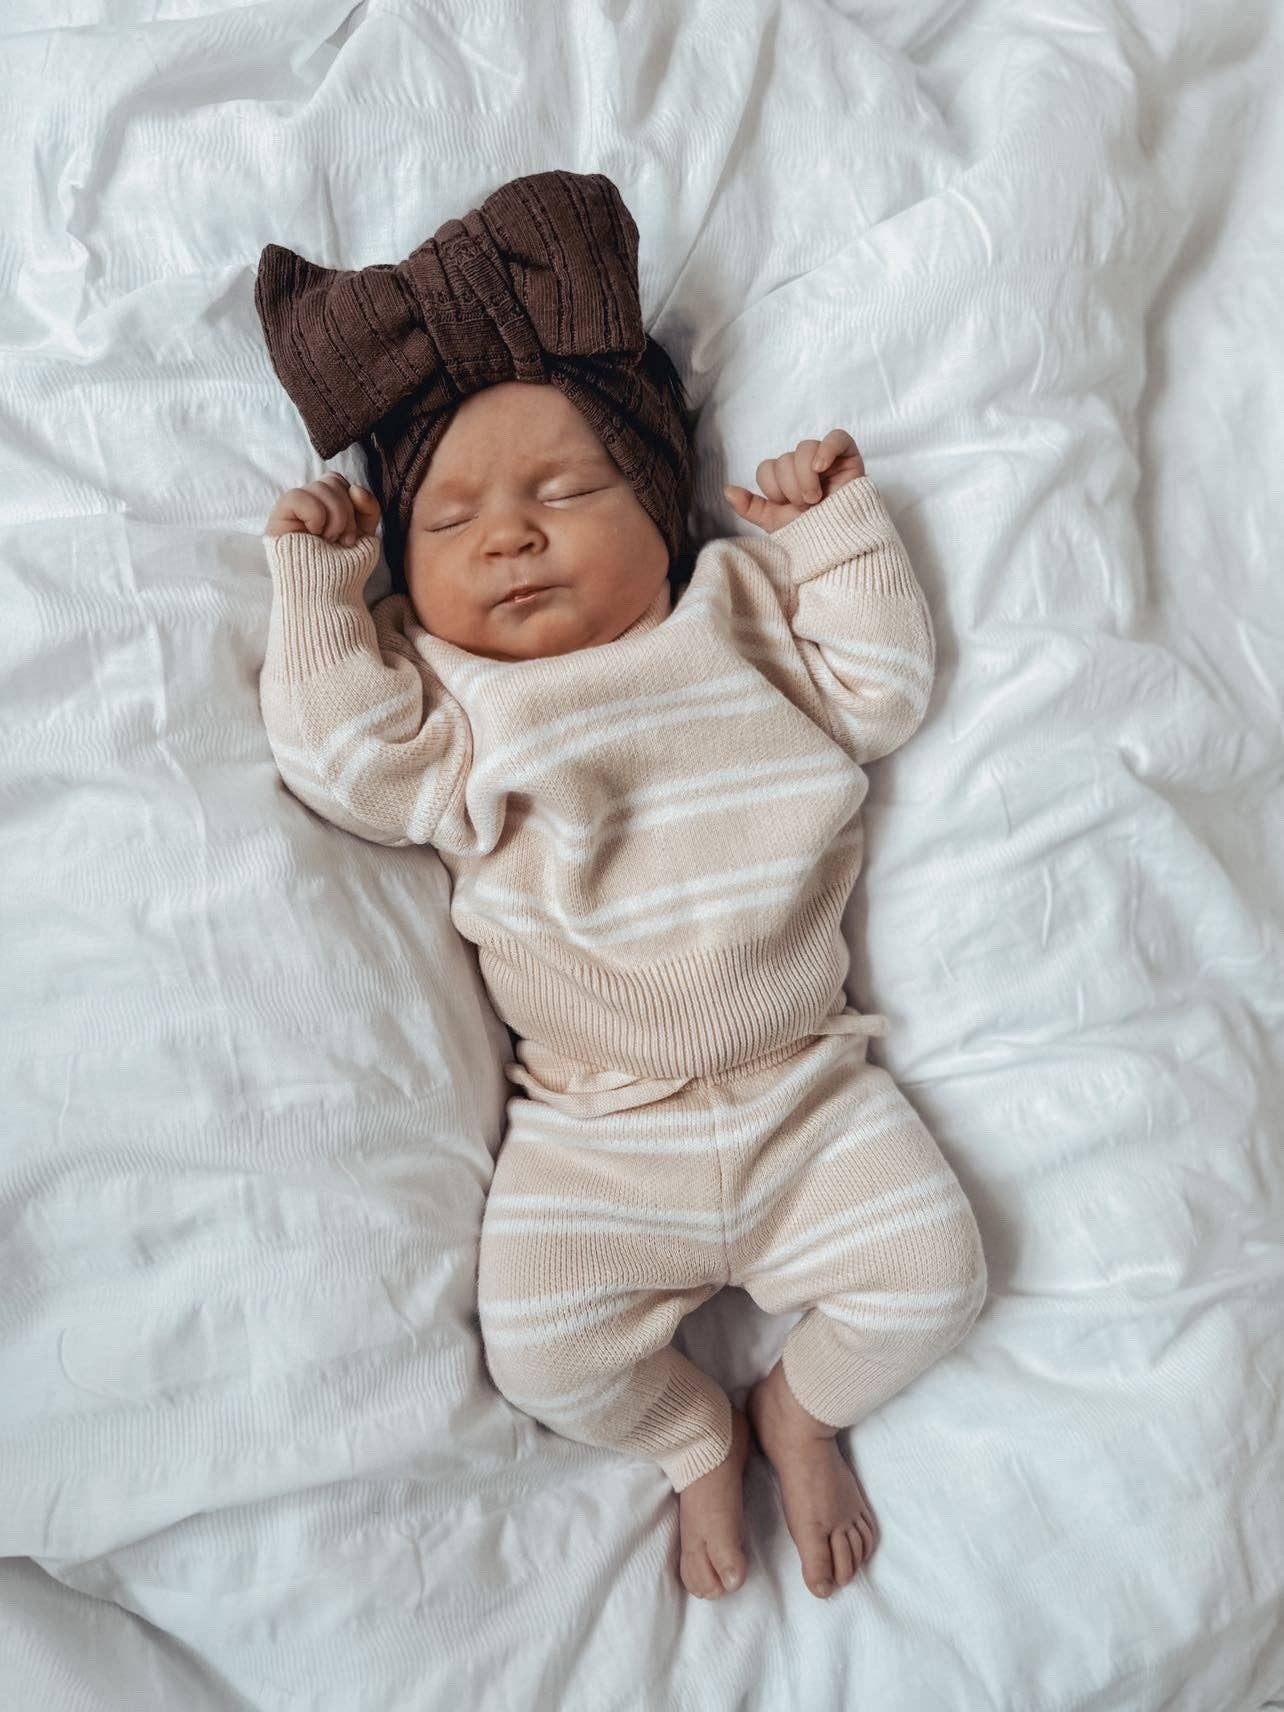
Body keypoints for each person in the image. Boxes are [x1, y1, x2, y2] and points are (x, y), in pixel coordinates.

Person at [255, 169, 988, 1603]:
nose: (510, 535)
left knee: (934, 1277)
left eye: (566, 490)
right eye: (450, 522)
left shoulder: (739, 616)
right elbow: (345, 764)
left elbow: (885, 685)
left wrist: (833, 532)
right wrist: (320, 592)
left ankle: (802, 1408)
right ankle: (692, 1436)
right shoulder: (452, 701)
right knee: (544, 1351)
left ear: (661, 512)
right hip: (595, 1131)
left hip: (807, 1094)